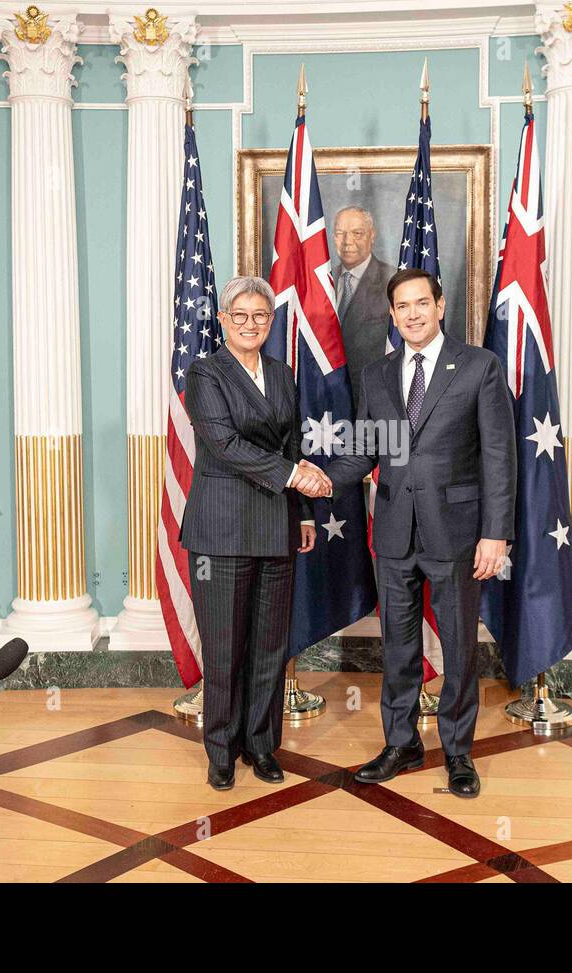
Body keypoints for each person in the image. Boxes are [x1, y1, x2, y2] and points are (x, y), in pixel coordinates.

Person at [302, 267, 516, 798]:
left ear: (440, 306)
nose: (413, 313)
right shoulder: (377, 374)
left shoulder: (478, 367)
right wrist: (320, 477)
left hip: (459, 535)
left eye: (422, 303)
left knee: (461, 648)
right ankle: (401, 744)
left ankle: (459, 753)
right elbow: (367, 450)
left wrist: (497, 534)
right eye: (403, 306)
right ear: (392, 315)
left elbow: (499, 456)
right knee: (397, 646)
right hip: (394, 535)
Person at [180, 275, 326, 791]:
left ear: (270, 322)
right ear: (222, 320)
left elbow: (291, 446)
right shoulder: (204, 373)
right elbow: (223, 444)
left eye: (259, 316)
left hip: (277, 524)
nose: (249, 324)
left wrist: (304, 510)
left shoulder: (283, 374)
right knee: (224, 649)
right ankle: (221, 751)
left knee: (269, 647)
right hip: (220, 529)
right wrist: (294, 476)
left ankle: (262, 746)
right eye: (238, 315)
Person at [331, 206, 395, 412]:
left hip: (376, 404)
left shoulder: (393, 281)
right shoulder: (322, 283)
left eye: (357, 233)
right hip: (328, 403)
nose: (347, 242)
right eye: (340, 233)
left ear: (372, 235)